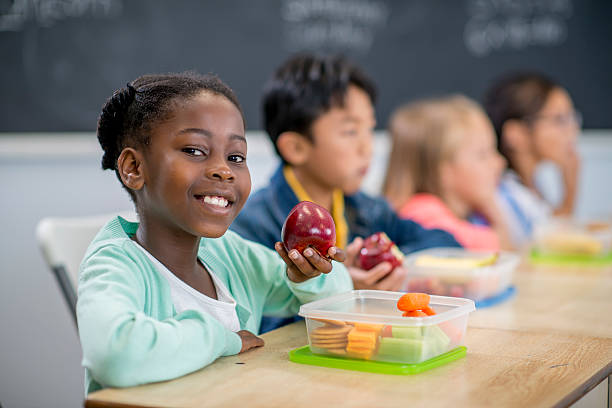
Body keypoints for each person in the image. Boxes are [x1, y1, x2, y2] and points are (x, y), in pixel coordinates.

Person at [77, 72, 352, 393]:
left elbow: (339, 303)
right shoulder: (114, 265)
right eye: (194, 150)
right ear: (134, 169)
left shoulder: (232, 256)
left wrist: (310, 277)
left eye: (236, 157)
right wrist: (224, 339)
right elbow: (116, 357)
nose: (223, 170)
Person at [231, 54, 460, 332]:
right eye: (351, 131)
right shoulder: (253, 225)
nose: (367, 148)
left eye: (370, 129)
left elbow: (444, 242)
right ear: (296, 148)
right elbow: (257, 324)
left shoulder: (365, 207)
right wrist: (342, 291)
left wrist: (379, 259)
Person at [382, 95, 511, 251]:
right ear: (441, 170)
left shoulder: (466, 214)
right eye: (482, 155)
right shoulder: (423, 213)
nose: (499, 162)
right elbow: (497, 249)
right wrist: (494, 211)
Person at [483, 72, 581, 247]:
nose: (572, 130)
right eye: (559, 120)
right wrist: (570, 191)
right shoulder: (504, 196)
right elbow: (547, 248)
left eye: (572, 118)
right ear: (516, 133)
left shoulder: (531, 186)